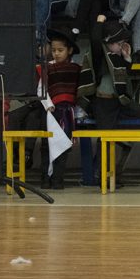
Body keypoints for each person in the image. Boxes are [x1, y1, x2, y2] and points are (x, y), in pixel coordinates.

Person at [76, 16, 140, 184]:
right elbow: (95, 39)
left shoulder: (117, 57)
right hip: (103, 103)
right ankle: (102, 174)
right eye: (118, 43)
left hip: (119, 101)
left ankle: (123, 145)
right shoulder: (99, 55)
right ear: (107, 42)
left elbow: (126, 77)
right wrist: (99, 22)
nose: (121, 46)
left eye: (123, 43)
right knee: (105, 137)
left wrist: (127, 58)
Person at [42, 29, 81, 189]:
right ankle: (45, 179)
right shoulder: (46, 68)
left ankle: (58, 179)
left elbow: (80, 90)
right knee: (47, 144)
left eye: (60, 50)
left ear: (69, 50)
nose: (56, 54)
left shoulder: (77, 69)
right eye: (53, 50)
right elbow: (41, 89)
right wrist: (48, 104)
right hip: (51, 112)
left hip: (68, 112)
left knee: (64, 144)